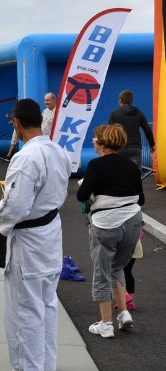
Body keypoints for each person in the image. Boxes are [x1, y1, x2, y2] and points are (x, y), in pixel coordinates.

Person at [0, 98, 70, 371]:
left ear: (16, 123)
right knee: (47, 308)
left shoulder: (25, 157)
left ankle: (29, 368)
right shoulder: (57, 151)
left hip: (29, 243)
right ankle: (47, 366)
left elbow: (16, 205)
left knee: (25, 314)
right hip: (49, 235)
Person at [76, 124, 143, 339]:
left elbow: (81, 195)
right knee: (119, 266)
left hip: (106, 223)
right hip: (133, 221)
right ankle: (123, 313)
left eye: (95, 139)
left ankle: (106, 324)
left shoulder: (96, 164)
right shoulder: (132, 166)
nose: (93, 142)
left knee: (102, 272)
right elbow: (141, 198)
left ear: (103, 144)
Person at [1, 92, 56, 162]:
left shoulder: (57, 113)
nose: (46, 102)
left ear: (54, 100)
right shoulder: (45, 111)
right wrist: (15, 122)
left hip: (46, 141)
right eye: (45, 100)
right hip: (37, 141)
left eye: (48, 100)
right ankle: (8, 155)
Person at [108, 89, 155, 170]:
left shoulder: (114, 113)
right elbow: (147, 130)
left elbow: (109, 131)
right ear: (132, 101)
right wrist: (152, 144)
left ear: (120, 100)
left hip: (119, 147)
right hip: (135, 148)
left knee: (118, 172)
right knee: (135, 174)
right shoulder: (139, 113)